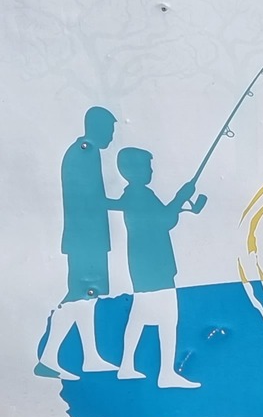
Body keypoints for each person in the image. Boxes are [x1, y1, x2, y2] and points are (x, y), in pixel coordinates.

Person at [37, 107, 121, 379]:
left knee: (87, 296)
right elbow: (89, 198)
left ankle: (90, 357)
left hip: (90, 235)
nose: (111, 135)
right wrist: (128, 204)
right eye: (109, 129)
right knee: (79, 294)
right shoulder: (83, 153)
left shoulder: (87, 152)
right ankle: (49, 358)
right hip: (85, 236)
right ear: (96, 127)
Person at [114, 147, 207, 390]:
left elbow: (163, 219)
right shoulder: (139, 195)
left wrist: (180, 201)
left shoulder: (134, 195)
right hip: (155, 265)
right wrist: (180, 197)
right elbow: (164, 221)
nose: (150, 171)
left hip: (142, 265)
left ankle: (126, 366)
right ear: (134, 170)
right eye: (147, 167)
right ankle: (166, 374)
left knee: (139, 316)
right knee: (167, 319)